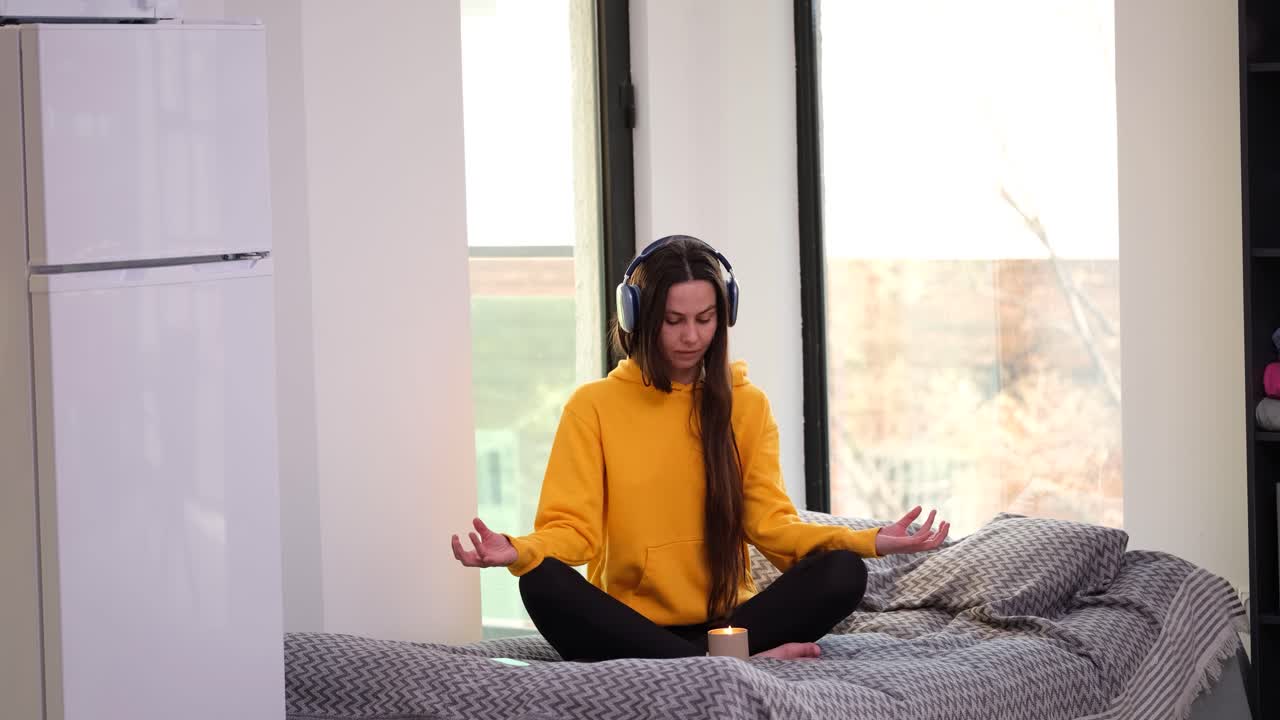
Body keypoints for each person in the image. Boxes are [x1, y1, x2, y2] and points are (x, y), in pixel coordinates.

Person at [450, 235, 949, 661]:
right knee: (539, 582)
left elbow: (770, 526)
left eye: (705, 318)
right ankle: (722, 664)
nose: (692, 336)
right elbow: (573, 532)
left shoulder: (746, 406)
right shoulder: (594, 406)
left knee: (843, 572)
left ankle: (697, 661)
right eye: (673, 321)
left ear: (723, 315)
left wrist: (870, 540)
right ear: (638, 316)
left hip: (729, 622)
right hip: (630, 627)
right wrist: (519, 549)